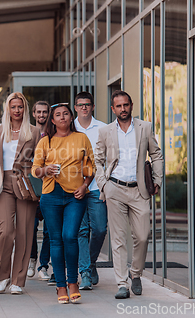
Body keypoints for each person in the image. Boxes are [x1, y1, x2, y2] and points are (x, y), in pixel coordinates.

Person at [95, 90, 163, 299]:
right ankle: (122, 283)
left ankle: (136, 274)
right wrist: (104, 185)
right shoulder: (106, 131)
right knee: (118, 238)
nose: (123, 109)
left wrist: (157, 180)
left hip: (139, 189)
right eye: (119, 106)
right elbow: (97, 160)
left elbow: (156, 154)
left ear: (131, 105)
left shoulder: (145, 127)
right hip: (115, 188)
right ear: (113, 108)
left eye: (126, 105)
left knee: (142, 237)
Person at [32, 103, 95, 304]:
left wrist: (85, 186)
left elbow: (90, 167)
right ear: (52, 120)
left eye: (65, 114)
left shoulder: (81, 138)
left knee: (70, 236)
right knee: (56, 240)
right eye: (57, 115)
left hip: (75, 196)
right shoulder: (45, 141)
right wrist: (46, 170)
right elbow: (35, 170)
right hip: (50, 195)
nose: (62, 117)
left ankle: (73, 282)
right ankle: (61, 286)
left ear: (71, 117)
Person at [0, 92, 40, 295]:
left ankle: (18, 280)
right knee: (5, 231)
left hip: (25, 183)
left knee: (24, 233)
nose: (16, 110)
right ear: (7, 109)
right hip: (2, 184)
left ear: (24, 109)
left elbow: (39, 159)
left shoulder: (34, 132)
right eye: (13, 106)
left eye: (20, 107)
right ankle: (3, 275)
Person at [73, 91, 107, 290]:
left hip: (97, 188)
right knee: (81, 230)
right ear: (75, 107)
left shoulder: (103, 128)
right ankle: (85, 272)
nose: (84, 107)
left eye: (87, 104)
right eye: (80, 104)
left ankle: (91, 261)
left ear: (92, 107)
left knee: (100, 228)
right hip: (75, 189)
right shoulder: (69, 128)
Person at [28, 100, 52, 282]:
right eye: (39, 112)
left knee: (49, 230)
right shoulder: (28, 134)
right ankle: (31, 260)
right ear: (34, 114)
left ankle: (43, 265)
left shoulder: (53, 135)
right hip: (32, 189)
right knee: (31, 227)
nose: (42, 115)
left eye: (45, 112)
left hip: (50, 188)